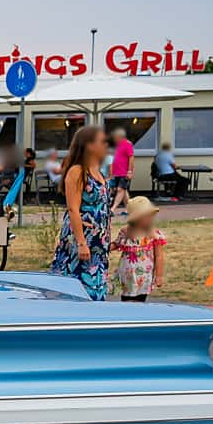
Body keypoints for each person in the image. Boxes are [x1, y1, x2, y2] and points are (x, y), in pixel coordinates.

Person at [50, 124, 111, 301]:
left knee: (96, 286)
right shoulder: (77, 171)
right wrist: (81, 242)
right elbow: (73, 209)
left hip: (98, 242)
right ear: (90, 145)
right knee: (76, 286)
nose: (106, 145)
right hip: (81, 239)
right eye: (102, 141)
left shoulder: (98, 172)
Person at [111, 196, 167, 302]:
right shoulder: (125, 232)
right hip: (127, 276)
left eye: (151, 216)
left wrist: (159, 275)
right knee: (126, 300)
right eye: (146, 216)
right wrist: (104, 247)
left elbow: (159, 256)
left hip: (144, 276)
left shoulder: (154, 235)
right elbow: (116, 244)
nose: (149, 219)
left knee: (140, 300)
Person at [108, 126, 134, 213]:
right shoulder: (116, 145)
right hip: (117, 172)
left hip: (124, 172)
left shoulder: (127, 144)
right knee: (123, 191)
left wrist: (130, 171)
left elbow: (131, 157)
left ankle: (113, 209)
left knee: (120, 189)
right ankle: (129, 209)